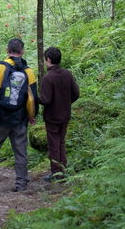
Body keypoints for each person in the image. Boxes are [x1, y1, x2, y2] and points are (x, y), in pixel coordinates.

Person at [0, 38, 38, 192]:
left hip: (0, 117)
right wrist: (32, 115)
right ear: (22, 51)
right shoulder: (28, 71)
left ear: (7, 50)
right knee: (20, 152)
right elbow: (31, 98)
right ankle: (21, 184)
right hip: (20, 119)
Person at [38, 47, 79, 182]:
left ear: (48, 59)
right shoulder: (67, 74)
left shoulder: (48, 78)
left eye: (45, 59)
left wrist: (33, 97)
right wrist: (66, 103)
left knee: (54, 145)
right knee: (61, 143)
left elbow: (46, 100)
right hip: (65, 115)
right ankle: (63, 170)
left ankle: (56, 173)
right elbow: (76, 93)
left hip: (52, 117)